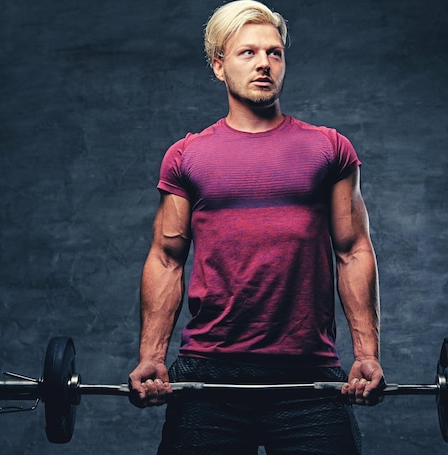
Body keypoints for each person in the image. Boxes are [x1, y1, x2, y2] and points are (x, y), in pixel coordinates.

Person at [128, 1, 384, 453]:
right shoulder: (186, 155)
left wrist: (366, 355)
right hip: (208, 372)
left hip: (309, 374)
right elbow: (167, 259)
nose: (264, 63)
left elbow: (353, 250)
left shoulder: (329, 148)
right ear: (218, 64)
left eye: (275, 52)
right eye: (248, 53)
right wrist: (152, 356)